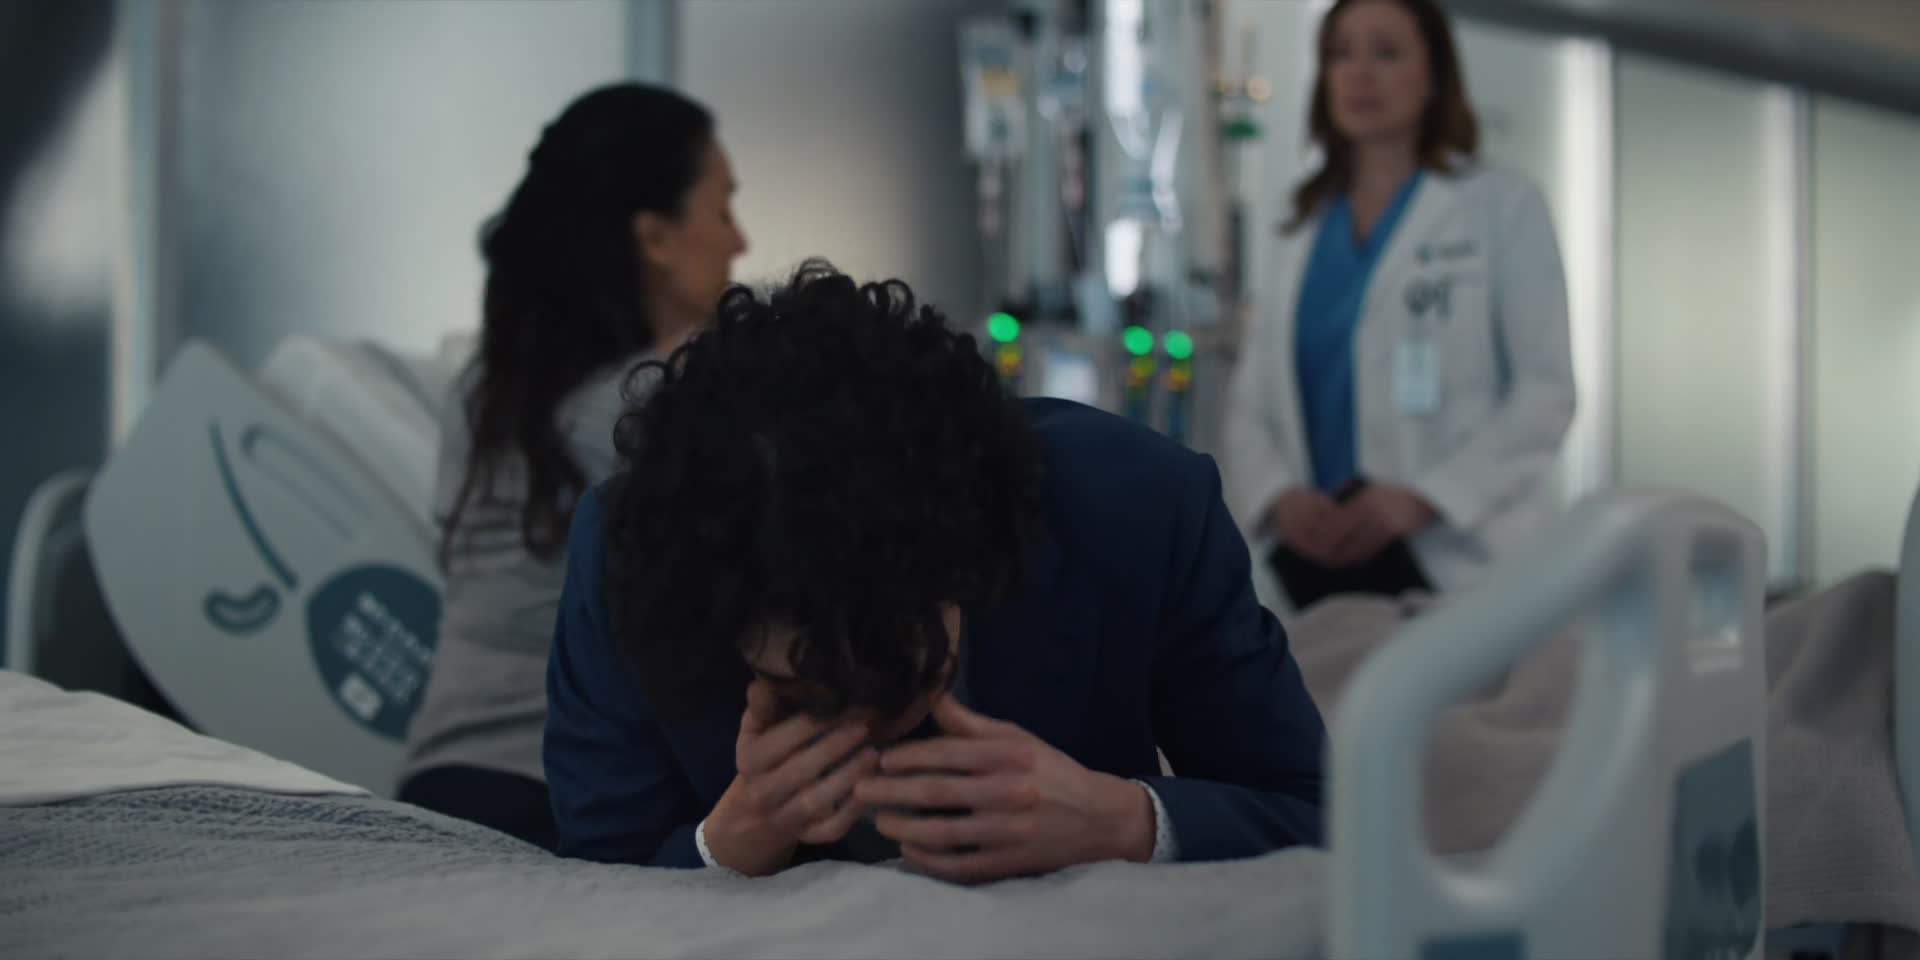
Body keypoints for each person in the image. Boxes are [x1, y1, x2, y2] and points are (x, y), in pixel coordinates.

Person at [544, 261, 1329, 881]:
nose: (862, 726)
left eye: (899, 676)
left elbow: (1322, 817)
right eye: (804, 689)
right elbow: (597, 881)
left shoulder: (1135, 509)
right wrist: (733, 839)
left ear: (974, 560)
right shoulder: (627, 556)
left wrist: (1122, 820)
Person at [395, 83, 747, 848]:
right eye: (723, 210)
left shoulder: (484, 394)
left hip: (439, 784)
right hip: (564, 805)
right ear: (656, 238)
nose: (741, 242)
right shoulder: (662, 406)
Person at [1223, 0, 1576, 612]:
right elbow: (1252, 400)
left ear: (1434, 74)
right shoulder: (1299, 224)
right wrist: (1279, 497)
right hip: (1314, 561)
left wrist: (1423, 499)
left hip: (1455, 562)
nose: (1360, 75)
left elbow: (1545, 392)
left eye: (1386, 53)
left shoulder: (1501, 206)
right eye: (1341, 55)